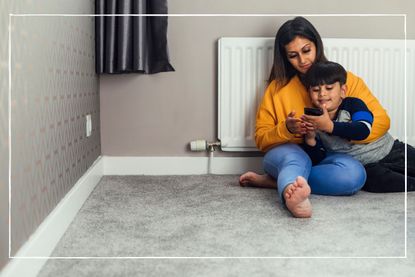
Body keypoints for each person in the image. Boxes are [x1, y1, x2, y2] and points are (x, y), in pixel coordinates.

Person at [239, 16, 391, 218]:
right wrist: (287, 129)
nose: (302, 61)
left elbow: (381, 121)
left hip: (325, 154)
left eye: (306, 50)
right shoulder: (276, 89)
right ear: (285, 57)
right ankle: (291, 197)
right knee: (295, 158)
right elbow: (261, 138)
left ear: (317, 46)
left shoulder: (344, 80)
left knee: (355, 175)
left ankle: (278, 181)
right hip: (290, 152)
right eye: (293, 55)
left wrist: (332, 128)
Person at [301, 61, 415, 192]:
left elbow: (363, 130)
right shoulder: (313, 118)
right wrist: (310, 139)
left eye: (329, 88)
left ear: (343, 91)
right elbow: (319, 158)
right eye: (316, 90)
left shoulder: (354, 104)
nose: (322, 94)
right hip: (367, 166)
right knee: (376, 182)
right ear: (309, 93)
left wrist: (330, 126)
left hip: (390, 151)